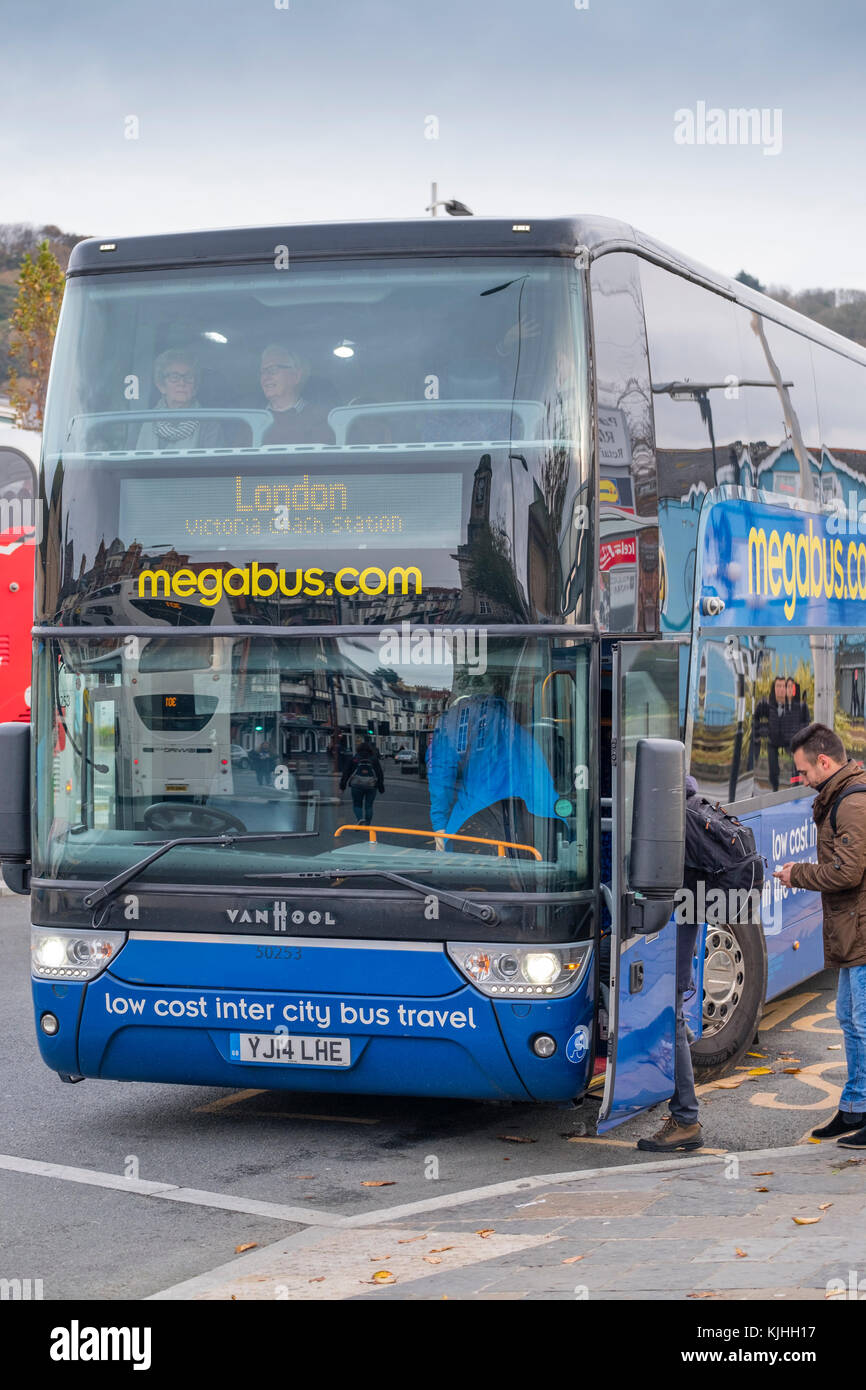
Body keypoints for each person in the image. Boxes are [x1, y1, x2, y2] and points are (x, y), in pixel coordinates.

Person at [776, 723, 866, 1146]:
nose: (803, 780)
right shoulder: (840, 795)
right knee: (850, 1019)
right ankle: (854, 1107)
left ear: (824, 763)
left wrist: (799, 874)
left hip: (863, 930)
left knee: (862, 1023)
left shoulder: (851, 802)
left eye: (805, 772)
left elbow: (848, 871)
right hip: (854, 930)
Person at [636, 775, 704, 1153]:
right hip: (682, 923)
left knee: (670, 1014)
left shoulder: (668, 816)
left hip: (670, 927)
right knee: (672, 1011)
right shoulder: (688, 805)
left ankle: (685, 1119)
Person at [136, 349, 223, 450]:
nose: (182, 382)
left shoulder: (209, 424)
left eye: (189, 377)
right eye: (174, 377)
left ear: (195, 388)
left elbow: (213, 464)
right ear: (161, 385)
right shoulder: (142, 421)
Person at [260, 344, 332, 445]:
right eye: (262, 372)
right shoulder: (252, 421)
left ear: (296, 376)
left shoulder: (322, 419)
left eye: (273, 370)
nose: (265, 377)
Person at [339, 741, 384, 826]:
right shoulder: (374, 759)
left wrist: (342, 786)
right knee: (369, 806)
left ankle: (360, 819)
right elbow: (379, 773)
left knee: (357, 804)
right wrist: (381, 787)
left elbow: (346, 772)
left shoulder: (355, 758)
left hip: (356, 785)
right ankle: (367, 824)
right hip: (371, 785)